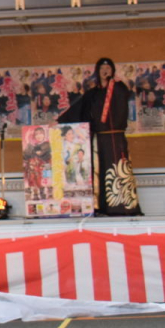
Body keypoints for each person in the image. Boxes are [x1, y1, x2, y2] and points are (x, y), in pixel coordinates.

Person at [58, 57, 142, 216]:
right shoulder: (92, 94)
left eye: (109, 69)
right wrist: (58, 121)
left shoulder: (119, 88)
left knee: (119, 169)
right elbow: (77, 109)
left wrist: (111, 84)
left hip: (116, 137)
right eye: (102, 69)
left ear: (113, 71)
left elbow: (123, 97)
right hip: (99, 138)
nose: (106, 71)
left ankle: (123, 205)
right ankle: (100, 206)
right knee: (99, 169)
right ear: (97, 72)